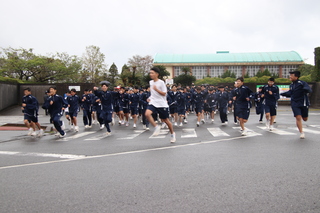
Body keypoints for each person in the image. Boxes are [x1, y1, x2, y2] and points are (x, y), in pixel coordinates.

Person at [145, 67, 176, 143]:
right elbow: (152, 93)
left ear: (157, 74)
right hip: (153, 102)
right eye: (150, 73)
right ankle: (156, 127)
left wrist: (157, 90)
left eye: (152, 73)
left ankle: (172, 134)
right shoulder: (151, 82)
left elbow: (164, 93)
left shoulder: (161, 82)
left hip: (161, 104)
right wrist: (149, 98)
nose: (150, 74)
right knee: (147, 114)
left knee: (166, 121)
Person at [281, 70, 312, 139]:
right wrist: (282, 94)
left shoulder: (302, 83)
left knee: (305, 119)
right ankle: (301, 132)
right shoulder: (291, 85)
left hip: (303, 103)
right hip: (295, 103)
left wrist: (305, 89)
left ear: (296, 76)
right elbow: (290, 93)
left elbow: (309, 89)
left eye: (291, 76)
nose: (290, 77)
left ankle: (305, 117)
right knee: (298, 117)